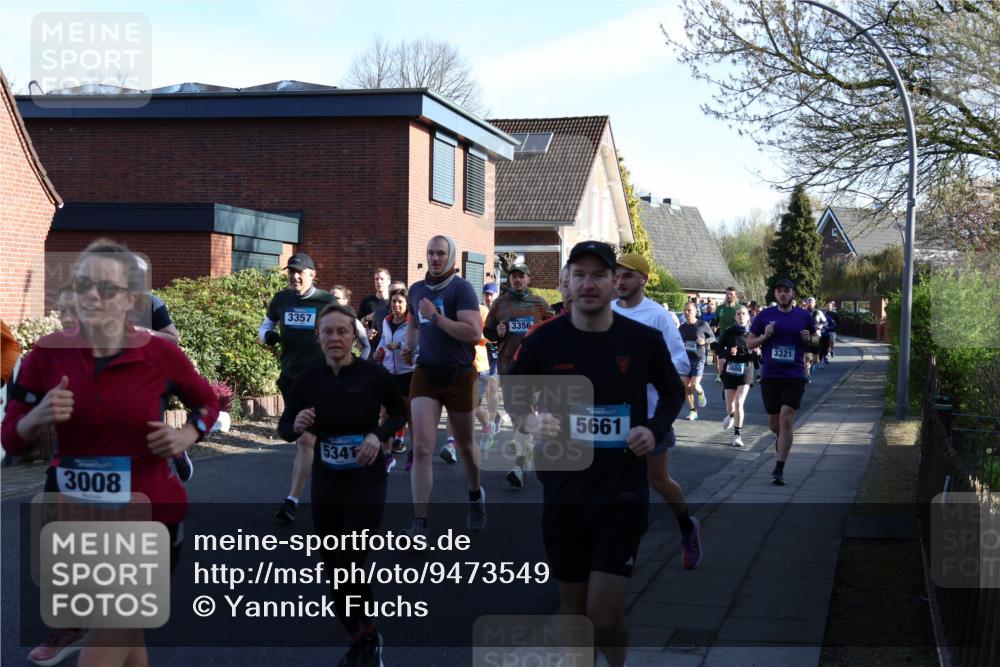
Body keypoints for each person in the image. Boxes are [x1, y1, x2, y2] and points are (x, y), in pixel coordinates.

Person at [3, 238, 218, 667]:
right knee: (127, 638)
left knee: (104, 639)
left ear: (132, 300)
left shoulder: (160, 352)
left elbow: (209, 403)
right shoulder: (46, 355)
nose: (91, 296)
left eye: (106, 287)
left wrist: (187, 435)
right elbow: (11, 438)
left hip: (151, 515)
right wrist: (36, 417)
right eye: (83, 284)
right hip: (81, 521)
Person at [509, 240, 685, 667]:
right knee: (575, 615)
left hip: (620, 492)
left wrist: (653, 429)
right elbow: (514, 397)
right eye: (580, 274)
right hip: (565, 490)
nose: (589, 284)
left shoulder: (642, 339)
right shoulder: (543, 341)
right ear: (567, 281)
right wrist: (529, 423)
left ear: (614, 283)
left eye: (599, 275)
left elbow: (673, 391)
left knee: (603, 616)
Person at [278, 303, 405, 667]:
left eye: (342, 331)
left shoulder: (373, 375)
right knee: (334, 568)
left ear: (354, 337)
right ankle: (362, 637)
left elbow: (397, 412)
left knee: (350, 559)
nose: (335, 337)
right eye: (328, 331)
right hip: (328, 481)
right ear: (317, 337)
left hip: (367, 479)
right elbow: (285, 428)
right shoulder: (308, 379)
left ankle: (367, 642)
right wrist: (297, 423)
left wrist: (377, 435)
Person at [611, 254, 703, 569]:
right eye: (617, 276)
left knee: (658, 480)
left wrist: (639, 371)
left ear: (644, 280)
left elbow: (679, 364)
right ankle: (620, 552)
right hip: (611, 414)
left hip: (650, 414)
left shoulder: (658, 317)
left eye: (628, 276)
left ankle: (687, 526)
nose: (620, 282)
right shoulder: (605, 311)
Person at [401, 235, 486, 537]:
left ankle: (475, 493)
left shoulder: (460, 289)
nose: (435, 258)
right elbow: (413, 325)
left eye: (440, 253)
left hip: (460, 377)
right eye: (431, 253)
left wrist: (436, 318)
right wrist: (408, 347)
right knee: (422, 448)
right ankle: (419, 521)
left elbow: (474, 333)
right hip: (425, 376)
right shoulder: (416, 290)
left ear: (449, 257)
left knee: (465, 445)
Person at [259, 252, 335, 524]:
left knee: (306, 438)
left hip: (319, 378)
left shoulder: (326, 301)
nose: (294, 276)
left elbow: (346, 329)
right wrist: (267, 334)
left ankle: (292, 500)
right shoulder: (281, 299)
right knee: (300, 436)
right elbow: (266, 323)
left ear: (312, 274)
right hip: (290, 378)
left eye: (299, 271)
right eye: (291, 272)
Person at [482, 263, 553, 488]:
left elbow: (553, 326)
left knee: (525, 412)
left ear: (528, 280)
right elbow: (487, 330)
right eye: (514, 276)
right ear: (509, 280)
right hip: (507, 367)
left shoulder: (539, 304)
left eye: (521, 276)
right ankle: (527, 445)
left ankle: (519, 465)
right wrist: (496, 332)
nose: (517, 280)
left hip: (533, 369)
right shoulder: (500, 303)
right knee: (516, 414)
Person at [746, 278, 818, 485]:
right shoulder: (765, 316)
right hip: (770, 375)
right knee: (774, 423)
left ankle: (779, 468)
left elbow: (816, 340)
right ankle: (782, 438)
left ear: (793, 294)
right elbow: (749, 343)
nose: (783, 294)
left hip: (794, 375)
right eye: (779, 291)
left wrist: (808, 338)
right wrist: (765, 336)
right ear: (775, 295)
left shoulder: (804, 316)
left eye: (786, 290)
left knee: (786, 419)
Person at [373, 287, 415, 473]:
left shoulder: (412, 323)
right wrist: (379, 352)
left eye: (400, 302)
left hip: (409, 374)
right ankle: (387, 456)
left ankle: (414, 453)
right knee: (385, 415)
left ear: (406, 305)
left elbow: (418, 346)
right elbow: (383, 340)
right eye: (393, 302)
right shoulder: (386, 321)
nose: (396, 305)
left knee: (410, 416)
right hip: (389, 374)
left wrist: (400, 345)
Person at [718, 306, 755, 447]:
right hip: (731, 370)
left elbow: (760, 352)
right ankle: (732, 415)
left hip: (746, 369)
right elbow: (719, 349)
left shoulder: (753, 333)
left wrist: (756, 353)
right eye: (738, 314)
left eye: (744, 313)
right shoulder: (728, 332)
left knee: (739, 403)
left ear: (748, 316)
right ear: (735, 317)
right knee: (730, 407)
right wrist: (728, 352)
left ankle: (737, 435)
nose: (741, 316)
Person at [678, 302, 715, 421]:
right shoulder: (682, 327)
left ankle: (700, 393)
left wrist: (704, 342)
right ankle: (693, 410)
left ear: (695, 311)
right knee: (686, 386)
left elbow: (712, 337)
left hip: (698, 358)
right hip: (685, 360)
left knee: (694, 385)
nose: (687, 312)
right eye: (685, 310)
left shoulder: (702, 324)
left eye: (690, 310)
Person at [476, 283, 501, 450]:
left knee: (492, 388)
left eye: (492, 294)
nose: (489, 297)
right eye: (486, 294)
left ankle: (491, 421)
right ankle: (494, 418)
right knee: (477, 397)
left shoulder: (502, 311)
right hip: (483, 356)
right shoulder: (479, 311)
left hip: (498, 355)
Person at [331, 285, 373, 359]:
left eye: (337, 298)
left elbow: (366, 346)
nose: (333, 300)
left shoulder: (353, 322)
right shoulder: (321, 319)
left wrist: (360, 364)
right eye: (331, 297)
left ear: (345, 301)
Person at [358, 267, 392, 354]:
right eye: (376, 279)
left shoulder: (394, 302)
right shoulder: (367, 302)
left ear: (389, 281)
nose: (379, 282)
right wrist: (367, 331)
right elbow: (359, 323)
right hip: (373, 348)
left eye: (382, 279)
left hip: (392, 347)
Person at [713, 287, 741, 381]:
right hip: (722, 339)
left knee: (734, 363)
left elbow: (745, 324)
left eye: (731, 294)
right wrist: (714, 327)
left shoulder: (739, 308)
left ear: (735, 296)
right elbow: (715, 321)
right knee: (721, 363)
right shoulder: (720, 308)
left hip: (735, 340)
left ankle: (734, 380)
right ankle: (720, 375)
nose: (728, 296)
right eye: (727, 294)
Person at [801, 297, 826, 381]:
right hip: (806, 337)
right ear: (806, 303)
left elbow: (825, 322)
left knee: (816, 359)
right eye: (809, 302)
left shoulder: (818, 312)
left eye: (812, 302)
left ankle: (812, 365)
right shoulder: (803, 313)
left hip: (816, 337)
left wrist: (820, 326)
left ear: (814, 303)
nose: (810, 303)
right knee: (806, 357)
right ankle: (806, 376)